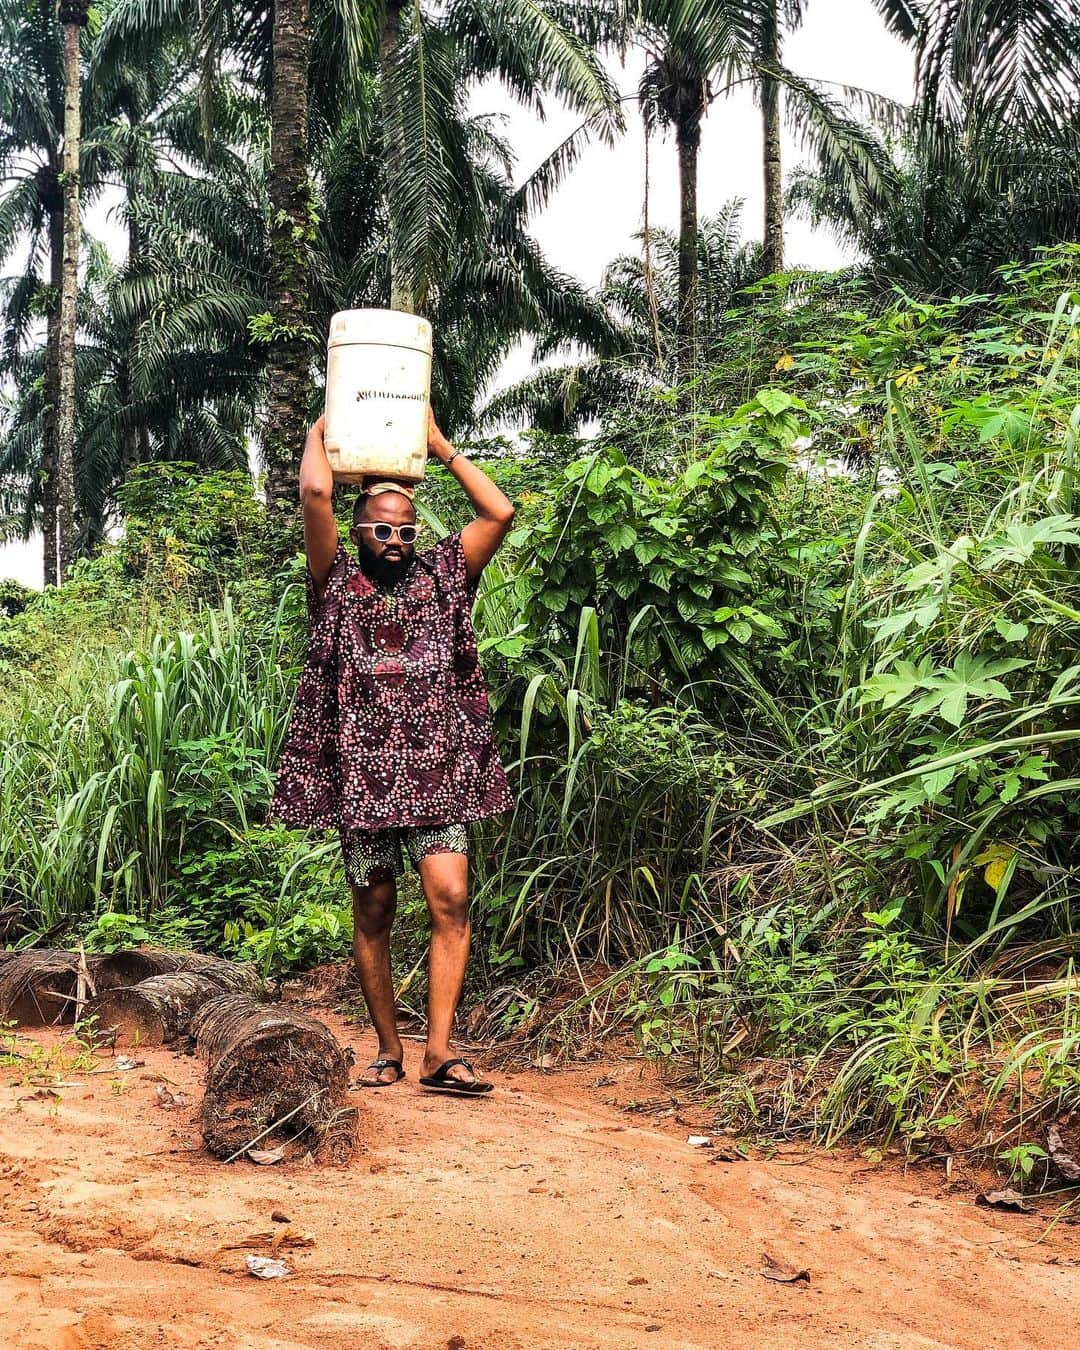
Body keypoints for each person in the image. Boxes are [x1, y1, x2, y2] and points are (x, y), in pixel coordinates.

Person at [270, 410, 515, 1095]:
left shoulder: (444, 576)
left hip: (437, 774)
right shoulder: (335, 585)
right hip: (364, 781)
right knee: (374, 911)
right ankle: (387, 1050)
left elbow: (500, 510)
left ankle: (439, 1052)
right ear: (358, 534)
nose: (396, 539)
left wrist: (441, 447)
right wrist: (321, 432)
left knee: (452, 898)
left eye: (406, 528)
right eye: (381, 528)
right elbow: (317, 496)